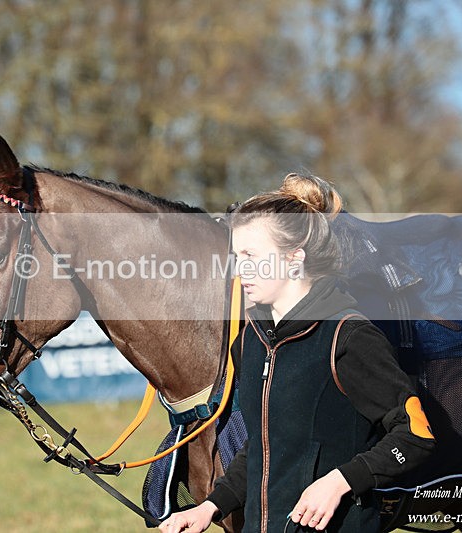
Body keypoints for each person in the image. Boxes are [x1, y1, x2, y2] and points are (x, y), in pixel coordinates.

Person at [159, 174, 436, 533]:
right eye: (236, 256)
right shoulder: (250, 342)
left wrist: (340, 481)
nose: (239, 270)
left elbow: (415, 435)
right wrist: (211, 506)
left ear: (294, 259)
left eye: (251, 256)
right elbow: (262, 449)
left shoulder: (349, 337)